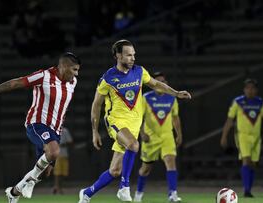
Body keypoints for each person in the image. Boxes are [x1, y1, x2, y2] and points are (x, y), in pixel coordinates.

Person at [78, 39, 191, 203]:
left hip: (133, 125)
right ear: (118, 56)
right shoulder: (108, 78)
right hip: (115, 121)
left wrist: (176, 93)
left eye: (134, 55)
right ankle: (124, 187)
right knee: (134, 145)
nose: (132, 58)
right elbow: (96, 105)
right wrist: (95, 131)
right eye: (128, 55)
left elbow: (156, 84)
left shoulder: (139, 71)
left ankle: (87, 193)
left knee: (115, 170)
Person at [0, 52, 81, 203]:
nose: (76, 74)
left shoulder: (73, 82)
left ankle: (13, 192)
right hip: (37, 124)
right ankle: (30, 182)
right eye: (74, 69)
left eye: (78, 70)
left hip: (55, 131)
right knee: (54, 151)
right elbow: (16, 83)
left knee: (45, 174)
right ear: (63, 66)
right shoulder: (44, 76)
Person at [220, 78, 263, 198]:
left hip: (256, 137)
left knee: (253, 163)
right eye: (247, 88)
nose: (249, 90)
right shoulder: (238, 102)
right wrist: (224, 136)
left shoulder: (261, 103)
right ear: (244, 89)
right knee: (246, 160)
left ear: (256, 90)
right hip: (242, 136)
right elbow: (230, 120)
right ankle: (246, 191)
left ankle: (249, 189)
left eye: (252, 88)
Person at [133, 72, 183, 202]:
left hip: (167, 137)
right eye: (158, 82)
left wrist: (179, 134)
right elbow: (139, 117)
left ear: (166, 84)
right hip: (151, 138)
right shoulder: (146, 98)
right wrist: (142, 134)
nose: (160, 84)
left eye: (163, 81)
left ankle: (173, 194)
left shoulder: (172, 98)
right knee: (145, 169)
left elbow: (175, 118)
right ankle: (138, 194)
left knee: (171, 162)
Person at [52, 125, 73, 194]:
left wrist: (62, 144)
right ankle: (57, 188)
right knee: (57, 173)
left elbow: (70, 141)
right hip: (57, 155)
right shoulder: (53, 131)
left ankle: (58, 187)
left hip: (64, 154)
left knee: (63, 173)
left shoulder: (65, 131)